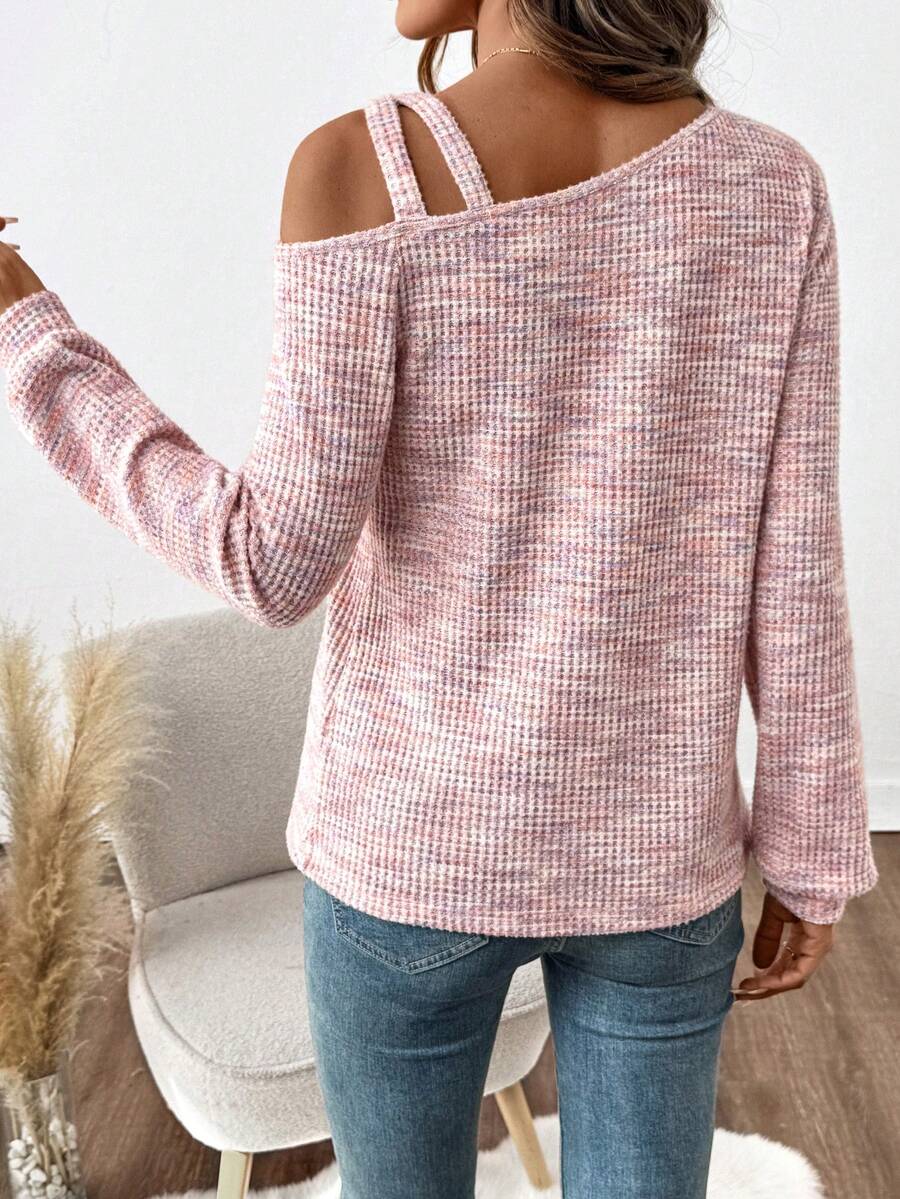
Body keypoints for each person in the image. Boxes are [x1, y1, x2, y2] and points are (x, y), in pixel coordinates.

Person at [0, 2, 879, 1196]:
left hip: (407, 858)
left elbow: (266, 561)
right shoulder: (772, 188)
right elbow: (797, 557)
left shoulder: (364, 170)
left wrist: (27, 333)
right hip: (659, 857)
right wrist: (813, 853)